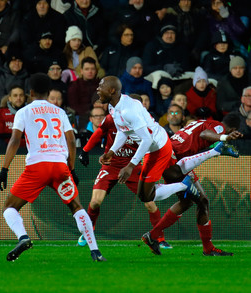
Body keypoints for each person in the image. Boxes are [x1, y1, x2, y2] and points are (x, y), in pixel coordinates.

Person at [0, 73, 106, 262]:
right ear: (48, 93)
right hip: (59, 166)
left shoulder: (24, 112)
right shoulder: (59, 112)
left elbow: (15, 140)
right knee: (77, 207)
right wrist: (71, 169)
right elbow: (71, 141)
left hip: (37, 167)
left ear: (30, 93)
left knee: (9, 208)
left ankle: (23, 237)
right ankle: (95, 250)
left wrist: (4, 169)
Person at [142, 113, 243, 256]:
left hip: (176, 158)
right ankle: (206, 249)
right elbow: (204, 134)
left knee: (195, 201)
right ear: (233, 129)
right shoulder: (218, 127)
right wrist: (224, 137)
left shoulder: (202, 121)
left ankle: (153, 236)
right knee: (199, 200)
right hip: (174, 160)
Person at [78, 104, 173, 249]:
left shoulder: (144, 125)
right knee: (95, 201)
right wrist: (85, 150)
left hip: (132, 167)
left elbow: (149, 147)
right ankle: (88, 232)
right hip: (111, 165)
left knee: (150, 203)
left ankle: (159, 237)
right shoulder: (112, 119)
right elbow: (100, 131)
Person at [96, 76, 200, 208]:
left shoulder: (129, 110)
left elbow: (147, 139)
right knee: (144, 194)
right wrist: (112, 151)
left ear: (111, 90)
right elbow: (123, 131)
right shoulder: (113, 106)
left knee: (147, 195)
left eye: (101, 86)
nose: (98, 89)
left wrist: (130, 166)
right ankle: (183, 184)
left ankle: (185, 185)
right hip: (152, 146)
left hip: (158, 148)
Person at [67, 57, 100, 130]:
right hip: (81, 115)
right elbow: (73, 105)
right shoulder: (74, 85)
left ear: (96, 71)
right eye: (87, 69)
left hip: (99, 114)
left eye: (92, 69)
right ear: (81, 71)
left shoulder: (101, 85)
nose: (90, 72)